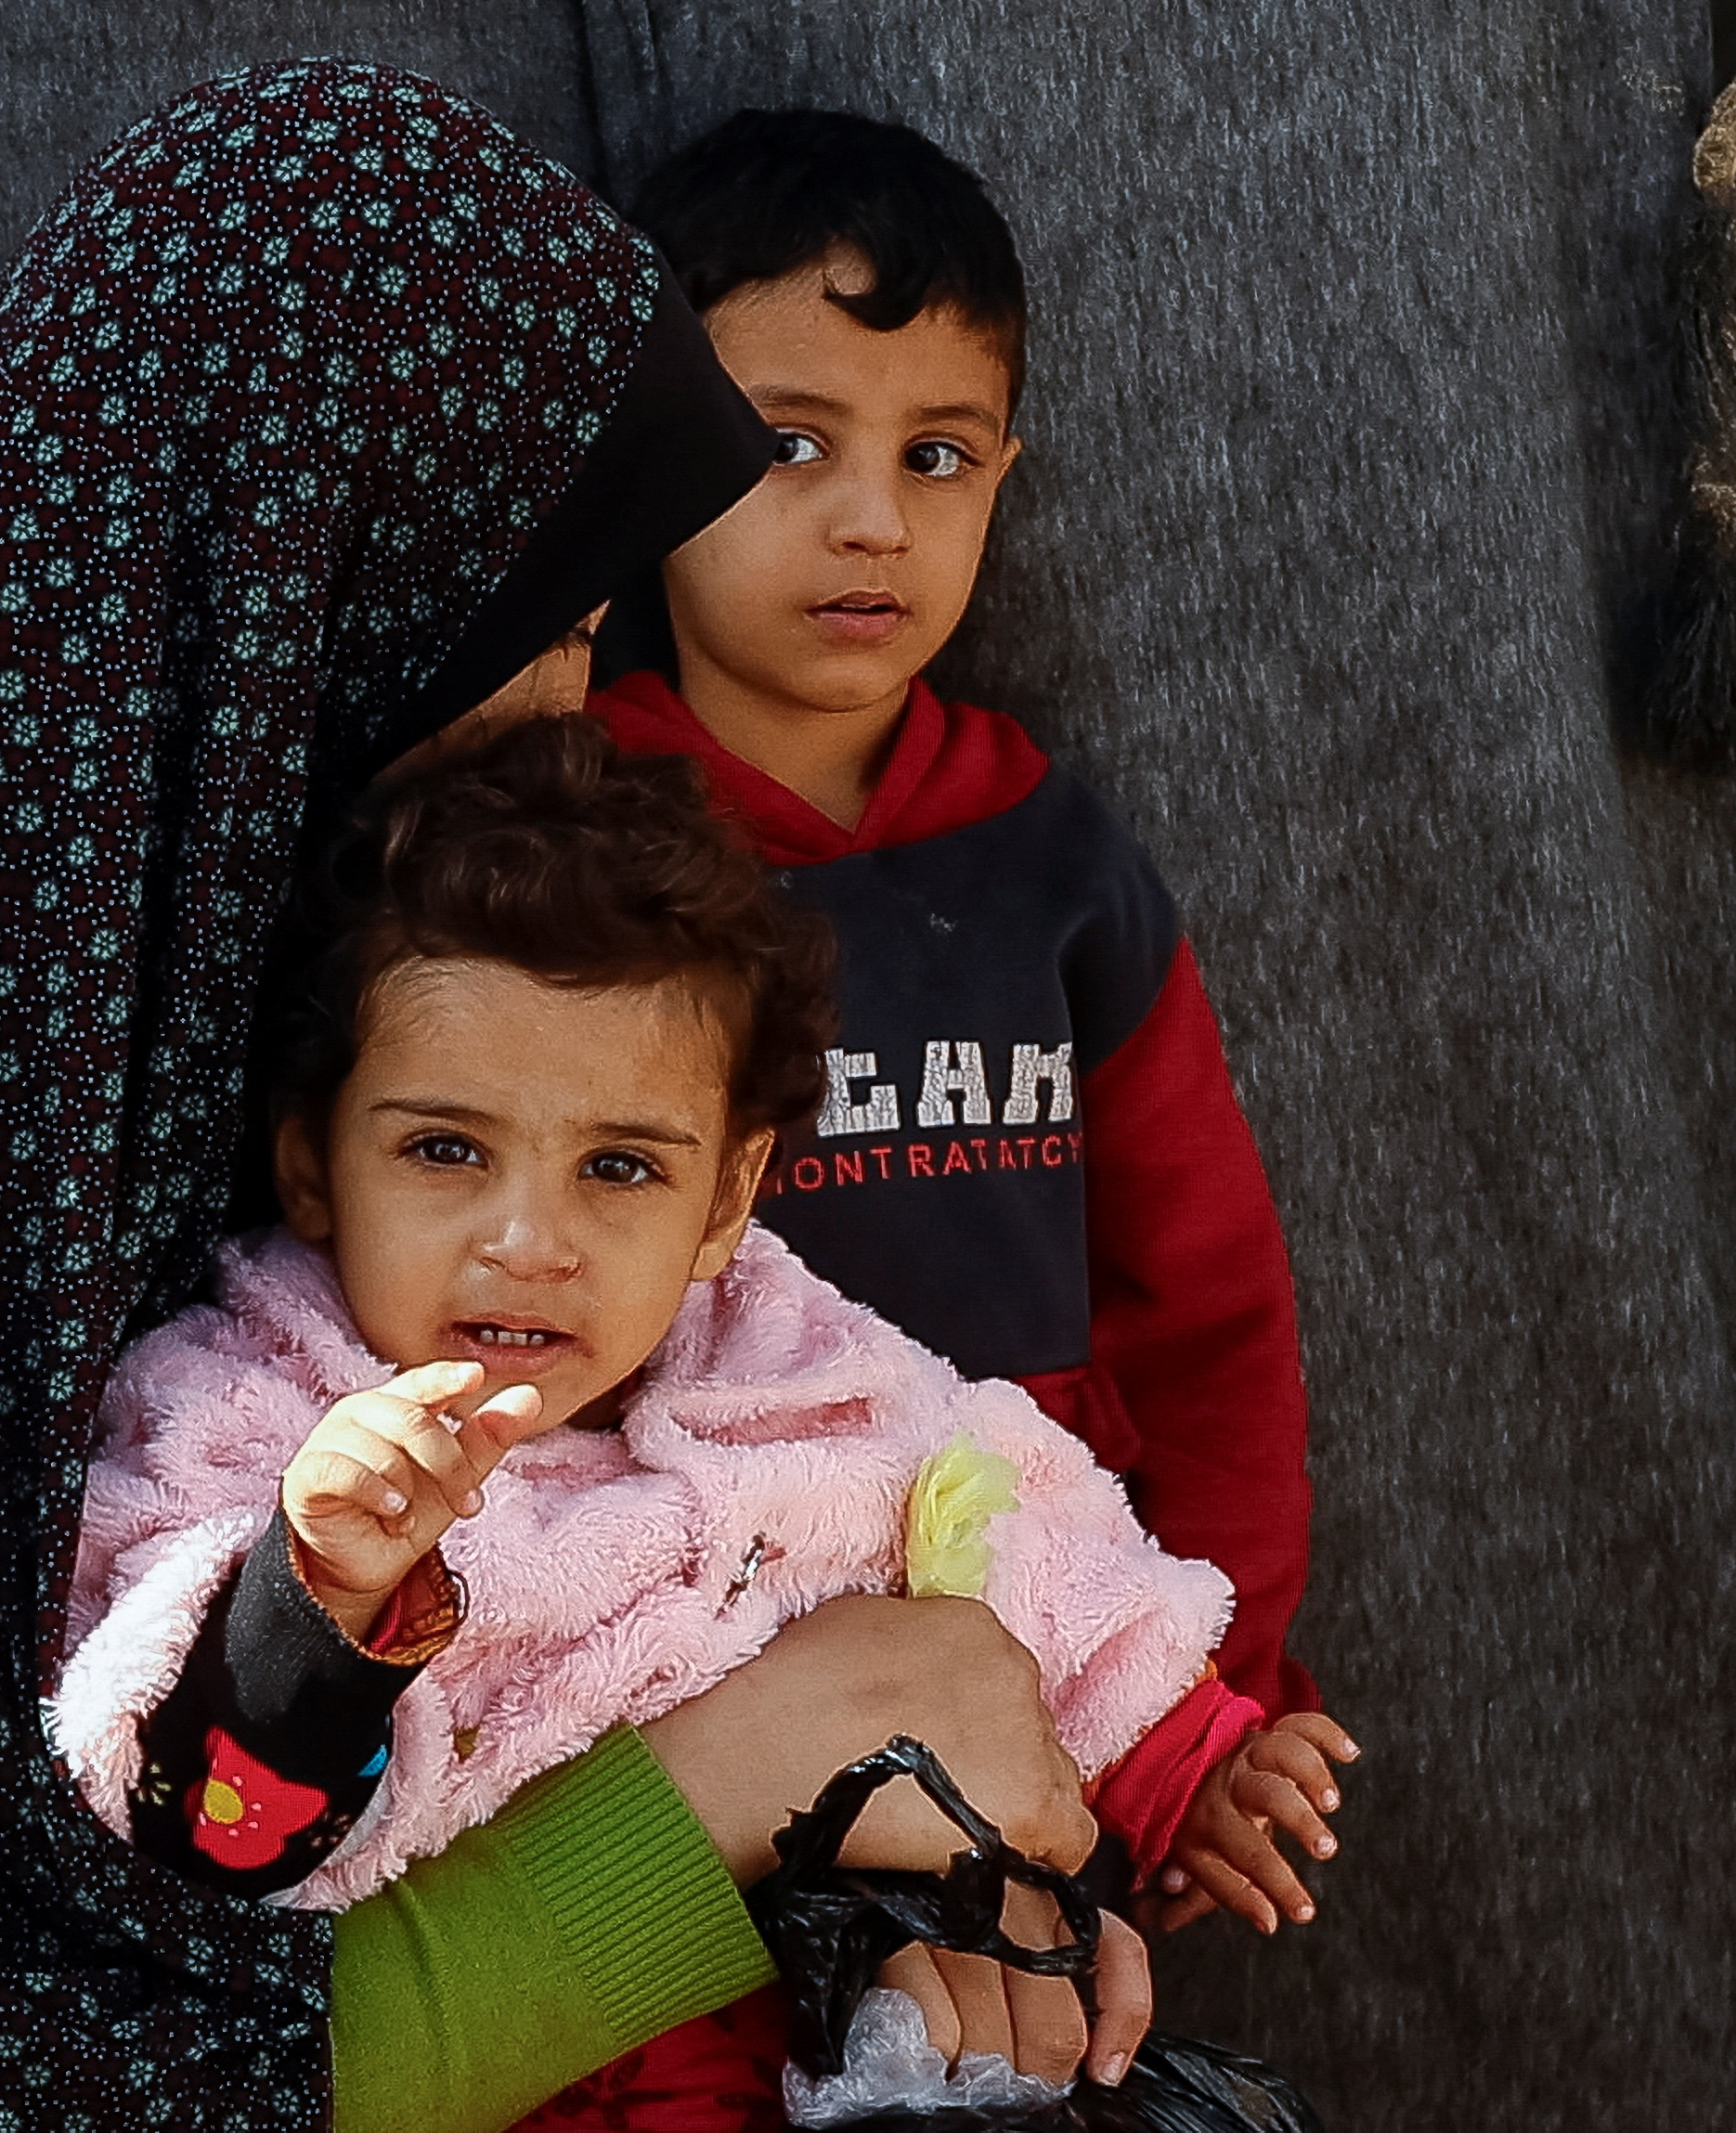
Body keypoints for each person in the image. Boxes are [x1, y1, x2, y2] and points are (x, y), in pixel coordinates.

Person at [0, 62, 1143, 2133]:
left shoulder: (96, 1016)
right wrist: (769, 1771)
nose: (572, 714)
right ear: (295, 574)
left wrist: (889, 1881)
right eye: (541, 625)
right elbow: (25, 2066)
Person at [55, 717, 1273, 2127]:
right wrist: (310, 1597)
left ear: (723, 1201)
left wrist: (1188, 1754)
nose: (527, 1238)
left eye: (618, 1166)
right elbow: (179, 1820)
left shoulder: (791, 1370)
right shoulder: (244, 1415)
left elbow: (1016, 1538)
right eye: (444, 1149)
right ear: (312, 1164)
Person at [587, 110, 1354, 1937]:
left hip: (1055, 1624)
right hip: (695, 1634)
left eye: (939, 455)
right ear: (641, 463)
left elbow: (1214, 1305)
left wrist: (1206, 1691)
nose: (873, 519)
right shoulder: (563, 847)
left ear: (1008, 471)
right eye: (785, 444)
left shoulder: (1053, 862)